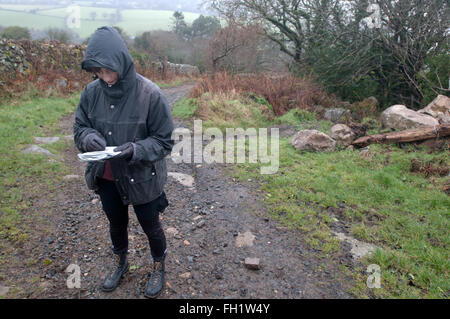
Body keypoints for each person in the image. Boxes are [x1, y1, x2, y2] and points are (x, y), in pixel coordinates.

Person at [73, 26, 174, 298]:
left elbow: (164, 141)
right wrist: (88, 137)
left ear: (122, 62)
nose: (104, 78)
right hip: (106, 176)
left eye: (108, 71)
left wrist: (135, 149)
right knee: (116, 223)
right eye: (98, 72)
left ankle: (158, 265)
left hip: (142, 177)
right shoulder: (91, 92)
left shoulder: (150, 94)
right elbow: (80, 126)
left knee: (150, 224)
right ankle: (121, 262)